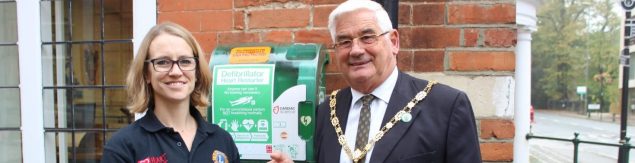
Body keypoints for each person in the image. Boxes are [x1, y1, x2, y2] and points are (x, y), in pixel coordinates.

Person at [270, 0, 481, 162]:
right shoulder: (327, 111)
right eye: (344, 41)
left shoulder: (445, 106)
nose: (356, 50)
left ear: (394, 42)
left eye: (367, 37)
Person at [101, 22, 240, 163]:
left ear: (197, 71)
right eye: (162, 62)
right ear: (146, 73)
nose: (176, 72)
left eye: (185, 61)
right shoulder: (123, 147)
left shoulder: (222, 140)